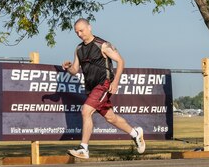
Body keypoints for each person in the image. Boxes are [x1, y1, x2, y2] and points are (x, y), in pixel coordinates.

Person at [62, 18, 146, 159]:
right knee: (111, 118)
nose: (79, 34)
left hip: (104, 84)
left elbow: (120, 61)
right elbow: (75, 70)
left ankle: (84, 148)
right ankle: (135, 133)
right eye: (76, 32)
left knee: (86, 111)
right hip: (91, 87)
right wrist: (68, 68)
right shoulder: (79, 49)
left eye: (81, 30)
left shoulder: (103, 45)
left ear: (90, 27)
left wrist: (116, 82)